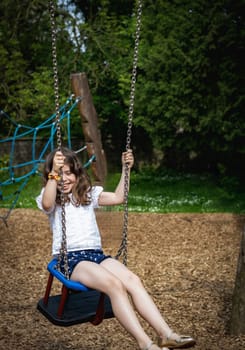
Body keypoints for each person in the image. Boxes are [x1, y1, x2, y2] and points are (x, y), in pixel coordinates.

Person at [36, 147, 196, 350]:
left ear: (77, 174)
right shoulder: (51, 196)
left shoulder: (88, 195)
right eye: (59, 173)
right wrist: (54, 174)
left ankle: (166, 334)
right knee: (114, 285)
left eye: (69, 173)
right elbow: (48, 204)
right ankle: (146, 344)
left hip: (96, 255)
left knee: (132, 280)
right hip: (71, 260)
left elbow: (119, 197)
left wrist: (126, 169)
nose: (64, 179)